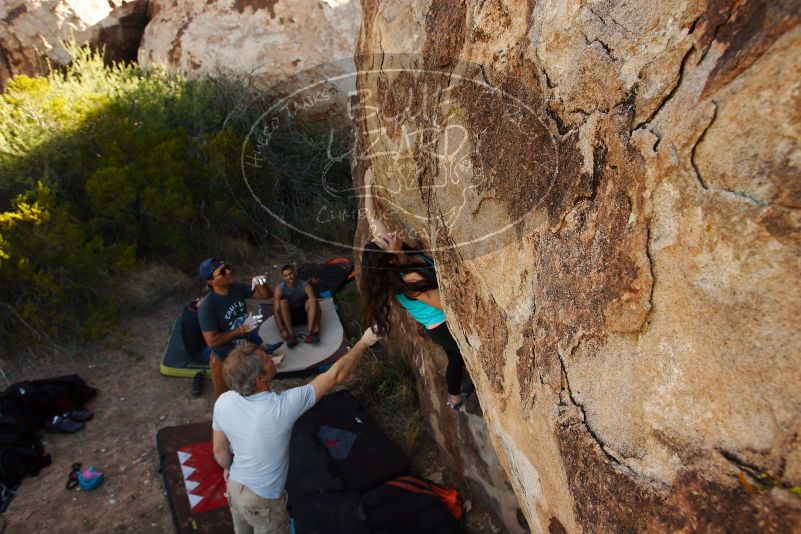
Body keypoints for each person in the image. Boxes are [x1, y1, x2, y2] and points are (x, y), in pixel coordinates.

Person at [212, 326, 382, 534]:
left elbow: (220, 452)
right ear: (260, 379)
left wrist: (230, 468)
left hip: (235, 490)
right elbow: (335, 376)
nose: (270, 357)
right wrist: (364, 343)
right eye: (266, 358)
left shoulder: (224, 401)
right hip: (263, 501)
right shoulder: (281, 408)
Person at [360, 166, 471, 410]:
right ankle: (455, 399)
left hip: (437, 321)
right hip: (440, 324)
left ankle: (454, 398)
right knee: (458, 357)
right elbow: (445, 304)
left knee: (455, 357)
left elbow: (373, 220)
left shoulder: (395, 255)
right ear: (388, 260)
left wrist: (368, 185)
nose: (388, 234)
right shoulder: (408, 278)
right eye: (385, 240)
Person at [197, 258, 278, 399]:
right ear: (211, 282)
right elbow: (212, 341)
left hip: (244, 354)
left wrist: (260, 283)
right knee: (225, 398)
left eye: (227, 267)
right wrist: (241, 329)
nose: (228, 271)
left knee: (252, 391)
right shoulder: (208, 307)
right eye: (222, 272)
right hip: (224, 359)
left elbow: (265, 295)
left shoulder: (236, 288)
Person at [273, 264, 321, 347]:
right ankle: (292, 336)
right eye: (286, 275)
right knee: (283, 303)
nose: (289, 277)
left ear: (294, 273)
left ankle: (310, 333)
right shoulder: (279, 288)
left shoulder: (305, 285)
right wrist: (282, 330)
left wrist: (317, 325)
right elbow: (276, 311)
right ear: (283, 277)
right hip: (289, 317)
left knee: (313, 300)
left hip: (304, 315)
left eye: (290, 274)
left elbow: (315, 304)